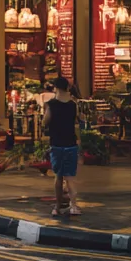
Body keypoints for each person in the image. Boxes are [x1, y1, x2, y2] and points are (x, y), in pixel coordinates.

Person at [45, 77, 81, 216]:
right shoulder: (73, 104)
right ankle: (74, 206)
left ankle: (58, 207)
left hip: (57, 144)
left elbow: (45, 122)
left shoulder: (51, 104)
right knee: (70, 177)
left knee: (58, 177)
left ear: (55, 88)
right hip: (71, 143)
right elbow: (76, 122)